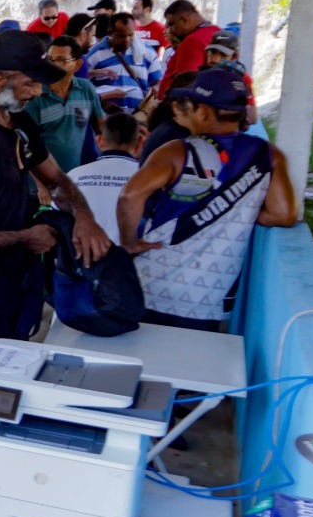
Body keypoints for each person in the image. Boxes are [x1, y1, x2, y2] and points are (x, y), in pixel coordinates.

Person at [0, 30, 111, 393]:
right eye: (30, 83)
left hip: (17, 281)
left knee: (10, 388)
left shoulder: (18, 120)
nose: (37, 91)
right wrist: (24, 237)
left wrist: (85, 218)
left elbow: (56, 178)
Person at [119, 70, 296, 331]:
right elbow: (284, 215)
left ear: (202, 111)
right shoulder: (268, 155)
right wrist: (242, 210)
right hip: (206, 297)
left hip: (151, 284)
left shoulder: (176, 151)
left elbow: (130, 195)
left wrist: (129, 242)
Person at [24, 38, 105, 175]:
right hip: (42, 182)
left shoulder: (86, 89)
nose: (53, 65)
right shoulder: (35, 96)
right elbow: (25, 146)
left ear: (77, 65)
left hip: (74, 177)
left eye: (61, 60)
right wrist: (40, 184)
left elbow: (101, 128)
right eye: (50, 59)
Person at [66, 111, 145, 245]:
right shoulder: (150, 177)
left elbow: (57, 216)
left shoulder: (74, 175)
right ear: (140, 142)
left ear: (100, 140)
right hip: (132, 253)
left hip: (82, 252)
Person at [82, 12, 166, 112]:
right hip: (105, 116)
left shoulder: (147, 52)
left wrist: (156, 88)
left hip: (138, 116)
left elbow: (157, 81)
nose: (127, 40)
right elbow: (81, 83)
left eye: (131, 35)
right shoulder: (95, 53)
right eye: (121, 36)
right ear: (110, 33)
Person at [158, 0, 219, 97]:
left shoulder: (192, 41)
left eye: (171, 24)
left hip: (176, 104)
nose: (170, 30)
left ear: (185, 20)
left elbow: (184, 84)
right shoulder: (216, 31)